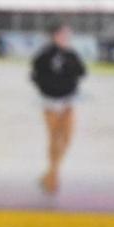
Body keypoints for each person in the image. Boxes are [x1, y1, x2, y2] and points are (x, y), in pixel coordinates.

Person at [31, 23, 86, 194]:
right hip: (50, 101)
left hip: (69, 99)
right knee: (55, 137)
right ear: (55, 35)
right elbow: (35, 75)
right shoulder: (44, 55)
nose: (66, 38)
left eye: (67, 36)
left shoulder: (71, 54)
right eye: (63, 35)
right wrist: (49, 88)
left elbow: (82, 72)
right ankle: (53, 177)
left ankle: (51, 173)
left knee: (67, 138)